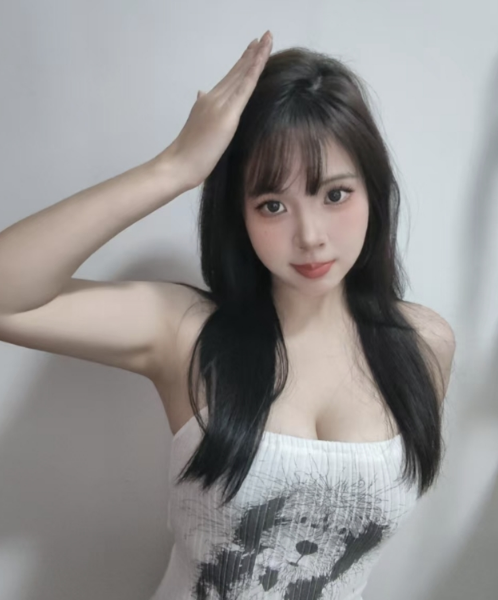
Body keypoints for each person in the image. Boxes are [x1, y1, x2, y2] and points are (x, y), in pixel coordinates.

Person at [0, 30, 455, 600]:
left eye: (335, 195)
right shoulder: (187, 333)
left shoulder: (424, 344)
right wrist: (173, 168)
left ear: (373, 192)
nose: (310, 236)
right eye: (273, 205)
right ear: (239, 215)